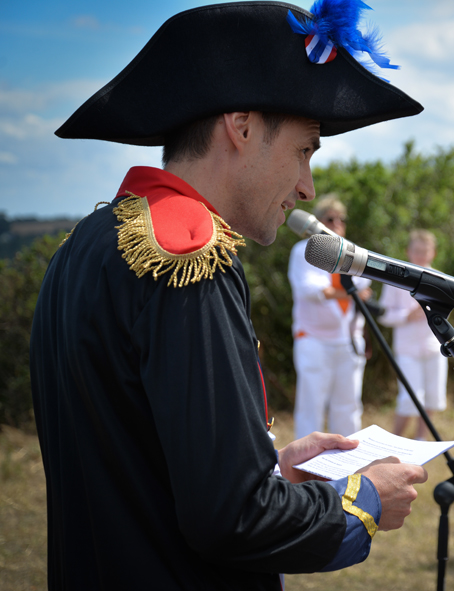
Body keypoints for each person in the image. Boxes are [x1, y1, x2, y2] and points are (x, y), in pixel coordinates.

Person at [32, 3, 429, 588]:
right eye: (304, 150)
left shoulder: (84, 244)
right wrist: (363, 500)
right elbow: (234, 520)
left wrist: (272, 470)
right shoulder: (189, 253)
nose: (307, 186)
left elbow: (146, 470)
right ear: (241, 126)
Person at [290, 195, 372, 438]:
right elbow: (311, 290)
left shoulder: (352, 250)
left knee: (349, 407)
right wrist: (350, 293)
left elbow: (364, 287)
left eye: (341, 219)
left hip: (349, 341)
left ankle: (347, 458)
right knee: (311, 407)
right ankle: (305, 461)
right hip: (314, 340)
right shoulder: (304, 250)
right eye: (330, 219)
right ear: (318, 222)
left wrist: (342, 293)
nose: (337, 223)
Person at [378, 230, 448, 440]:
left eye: (425, 251)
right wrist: (407, 316)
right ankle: (394, 442)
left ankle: (421, 441)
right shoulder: (395, 278)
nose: (421, 255)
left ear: (433, 253)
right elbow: (383, 314)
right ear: (408, 251)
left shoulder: (440, 279)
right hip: (407, 349)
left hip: (433, 347)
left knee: (433, 397)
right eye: (417, 251)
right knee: (409, 399)